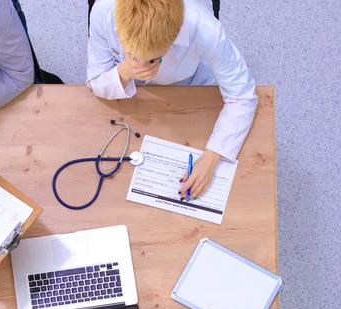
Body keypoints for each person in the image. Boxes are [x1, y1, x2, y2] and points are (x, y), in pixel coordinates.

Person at [87, 0, 258, 199]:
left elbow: (242, 94)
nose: (143, 67)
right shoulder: (102, 11)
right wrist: (124, 71)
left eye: (153, 59)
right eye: (132, 53)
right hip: (132, 101)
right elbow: (96, 80)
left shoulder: (203, 26)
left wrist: (211, 158)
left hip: (191, 88)